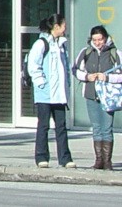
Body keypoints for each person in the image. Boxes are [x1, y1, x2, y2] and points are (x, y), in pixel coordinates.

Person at [28, 13, 74, 168]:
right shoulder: (42, 43)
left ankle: (65, 158)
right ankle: (41, 157)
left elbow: (65, 67)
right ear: (56, 26)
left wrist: (67, 85)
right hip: (45, 94)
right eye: (63, 26)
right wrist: (41, 83)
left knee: (61, 126)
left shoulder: (62, 45)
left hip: (59, 94)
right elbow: (33, 65)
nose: (65, 29)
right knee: (44, 125)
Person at [74, 24, 122, 169]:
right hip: (91, 95)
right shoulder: (86, 52)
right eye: (94, 40)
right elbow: (75, 70)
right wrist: (87, 76)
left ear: (105, 38)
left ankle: (107, 161)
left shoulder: (115, 53)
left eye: (100, 39)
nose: (97, 43)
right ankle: (98, 160)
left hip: (109, 97)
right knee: (96, 127)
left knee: (107, 127)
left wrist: (107, 78)